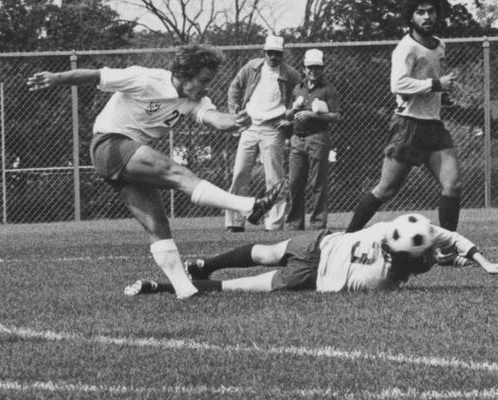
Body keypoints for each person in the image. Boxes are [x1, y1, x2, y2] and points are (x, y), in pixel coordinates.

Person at [26, 45, 286, 299]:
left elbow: (216, 119)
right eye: (203, 80)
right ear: (184, 76)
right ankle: (249, 206)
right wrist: (56, 77)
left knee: (157, 225)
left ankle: (186, 290)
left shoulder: (192, 100)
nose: (207, 86)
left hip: (130, 157)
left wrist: (237, 121)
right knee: (176, 171)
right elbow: (97, 75)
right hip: (109, 145)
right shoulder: (146, 78)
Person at [345, 0, 465, 264]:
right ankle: (346, 238)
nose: (427, 16)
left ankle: (447, 249)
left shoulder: (439, 45)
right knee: (385, 190)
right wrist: (436, 84)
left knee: (453, 185)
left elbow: (432, 89)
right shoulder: (406, 47)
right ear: (411, 17)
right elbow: (397, 84)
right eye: (420, 12)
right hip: (407, 127)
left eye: (431, 11)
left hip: (433, 127)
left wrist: (446, 97)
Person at [123, 214, 498, 297]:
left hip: (318, 245)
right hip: (309, 277)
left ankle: (194, 267)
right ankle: (160, 285)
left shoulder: (386, 230)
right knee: (233, 287)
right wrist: (474, 262)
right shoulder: (382, 283)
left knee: (260, 252)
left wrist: (474, 260)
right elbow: (444, 252)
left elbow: (450, 244)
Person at [223, 33, 302, 232]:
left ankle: (274, 224)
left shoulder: (290, 74)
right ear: (264, 53)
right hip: (249, 127)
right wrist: (235, 112)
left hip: (273, 129)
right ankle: (234, 222)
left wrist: (289, 118)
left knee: (274, 178)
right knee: (240, 174)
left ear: (282, 55)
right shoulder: (252, 67)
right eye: (270, 53)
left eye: (277, 54)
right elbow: (235, 88)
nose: (273, 57)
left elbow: (302, 97)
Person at [285, 47, 341, 230]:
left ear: (322, 68)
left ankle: (317, 223)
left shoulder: (328, 90)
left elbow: (336, 116)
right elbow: (287, 115)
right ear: (303, 68)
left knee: (318, 183)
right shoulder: (297, 89)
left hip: (318, 138)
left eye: (317, 67)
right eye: (309, 67)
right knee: (294, 183)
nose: (313, 71)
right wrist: (294, 110)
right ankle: (294, 222)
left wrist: (312, 115)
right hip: (297, 139)